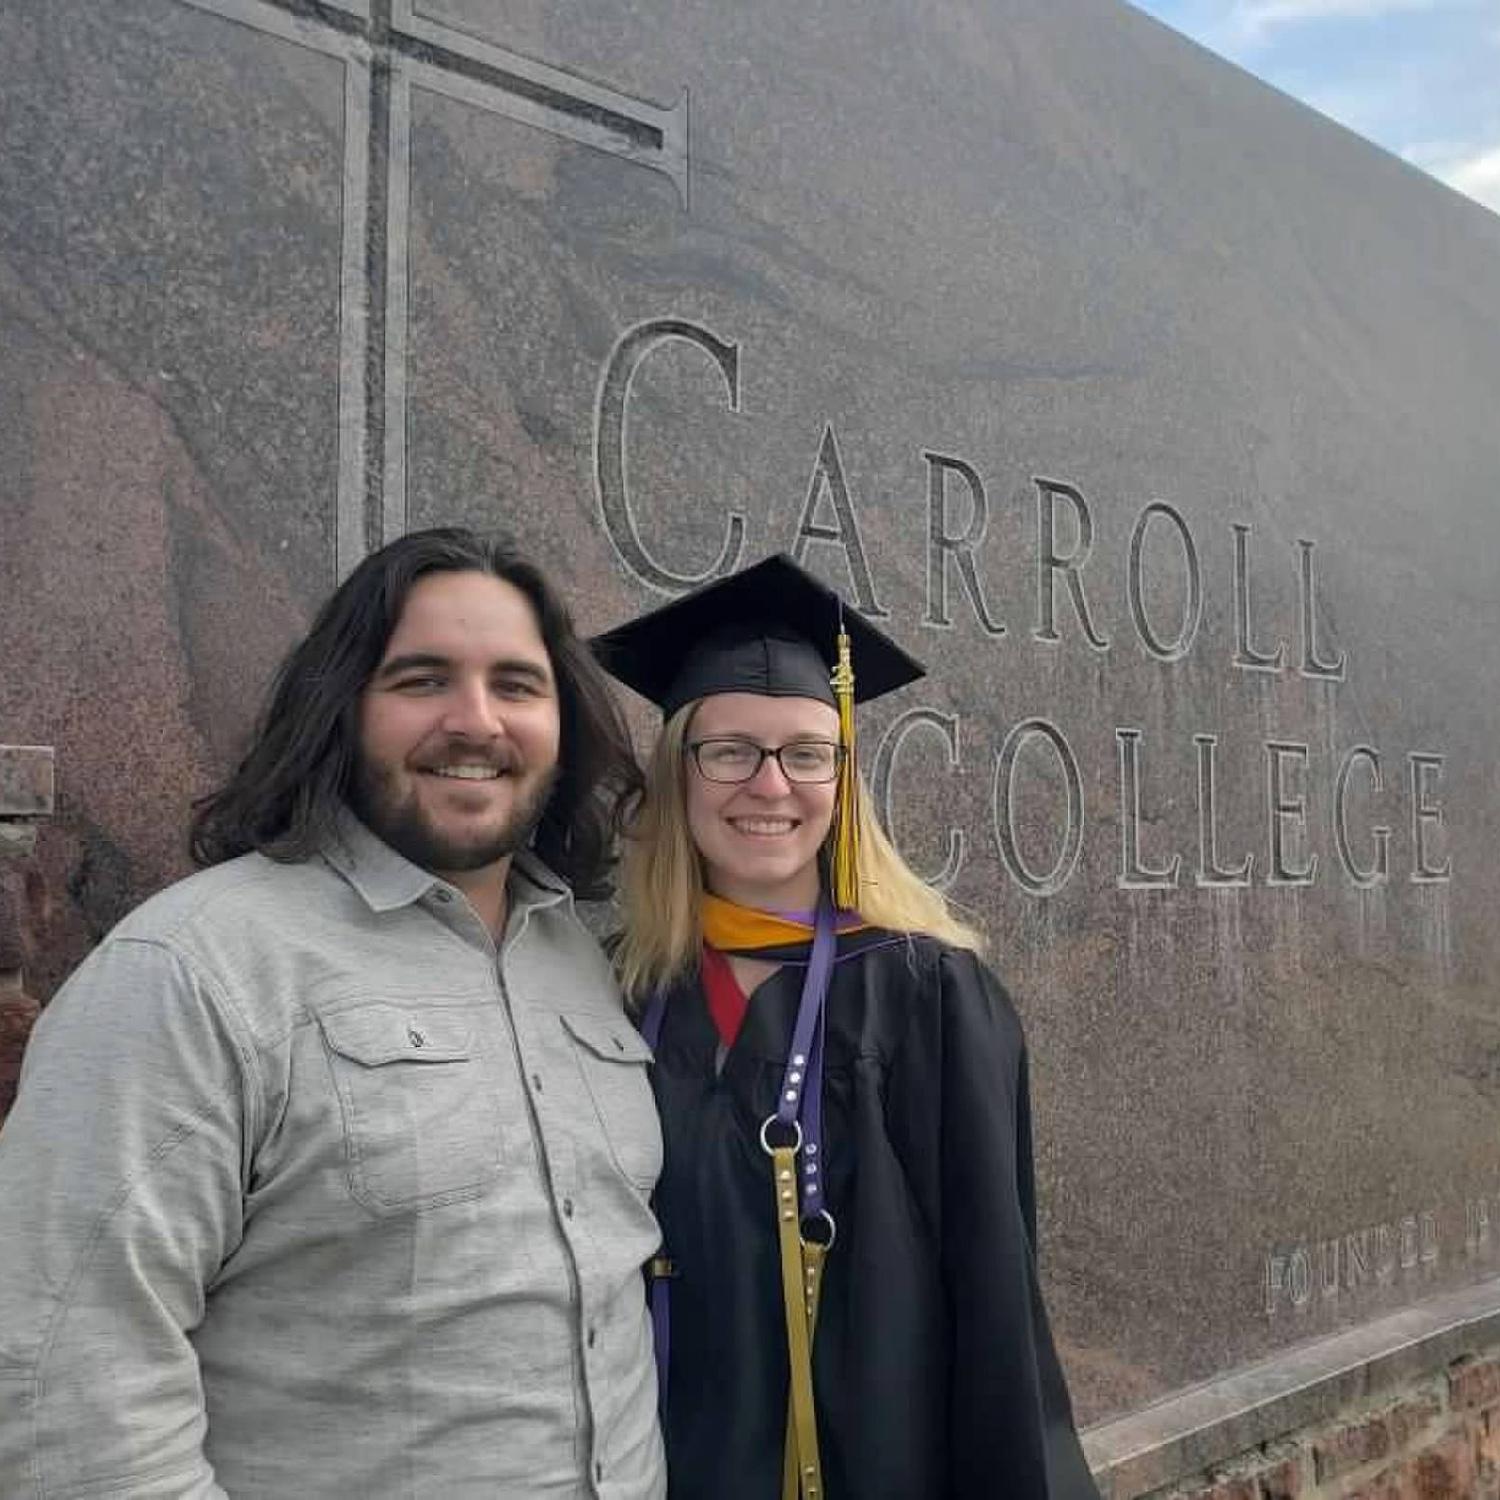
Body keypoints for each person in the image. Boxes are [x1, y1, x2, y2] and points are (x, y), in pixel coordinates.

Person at [0, 527, 665, 1499]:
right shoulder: (194, 967)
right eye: (423, 680)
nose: (475, 721)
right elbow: (66, 1370)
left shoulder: (582, 965)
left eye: (517, 685)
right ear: (343, 708)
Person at [593, 554, 1099, 1500]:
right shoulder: (620, 989)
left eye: (805, 753)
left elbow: (995, 1307)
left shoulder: (930, 996)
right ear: (678, 771)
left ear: (842, 778)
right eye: (729, 750)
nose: (770, 785)